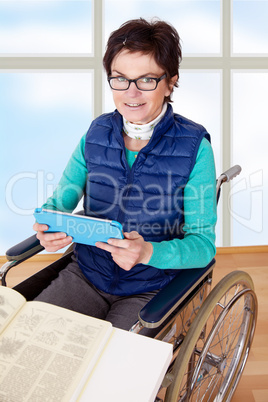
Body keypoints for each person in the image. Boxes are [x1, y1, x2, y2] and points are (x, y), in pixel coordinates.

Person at [33, 18, 217, 335]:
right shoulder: (96, 133)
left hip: (150, 286)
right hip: (86, 275)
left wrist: (149, 252)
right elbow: (60, 202)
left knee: (110, 372)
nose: (131, 93)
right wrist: (49, 223)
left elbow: (203, 246)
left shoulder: (195, 148)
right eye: (120, 79)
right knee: (28, 340)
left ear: (170, 82)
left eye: (146, 79)